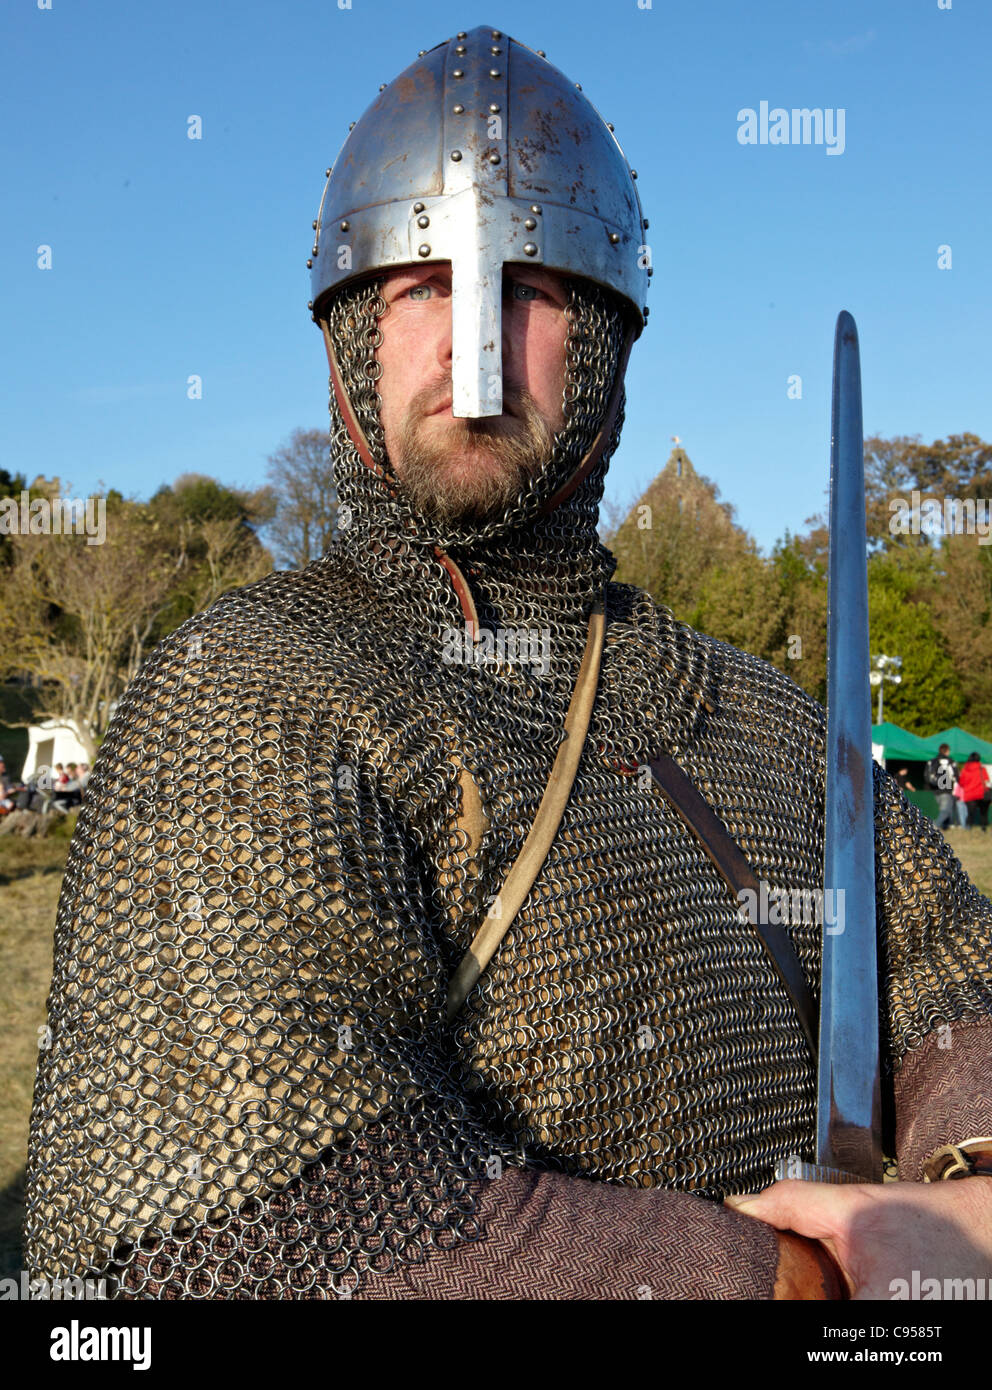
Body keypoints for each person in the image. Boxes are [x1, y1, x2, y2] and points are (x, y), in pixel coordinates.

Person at [25, 27, 992, 1302]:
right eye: (423, 284)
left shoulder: (754, 710)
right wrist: (805, 1279)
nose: (467, 350)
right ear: (347, 343)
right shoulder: (252, 688)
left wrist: (964, 1170)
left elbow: (938, 974)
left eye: (524, 288)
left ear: (604, 340)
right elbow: (270, 1228)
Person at [925, 743, 959, 830]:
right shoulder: (950, 761)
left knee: (946, 808)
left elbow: (927, 776)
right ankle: (934, 825)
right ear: (947, 751)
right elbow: (956, 775)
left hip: (935, 789)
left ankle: (947, 826)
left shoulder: (932, 761)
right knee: (946, 810)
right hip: (946, 788)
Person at [958, 752, 991, 831]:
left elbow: (961, 783)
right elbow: (986, 780)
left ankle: (968, 829)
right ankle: (983, 829)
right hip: (982, 794)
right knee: (983, 813)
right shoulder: (982, 769)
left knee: (970, 813)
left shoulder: (965, 770)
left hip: (970, 795)